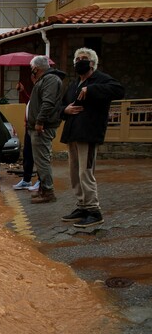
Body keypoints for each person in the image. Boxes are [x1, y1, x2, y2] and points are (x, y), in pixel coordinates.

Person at [60, 47, 124, 228]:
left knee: (85, 173)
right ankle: (82, 206)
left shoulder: (100, 79)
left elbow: (119, 90)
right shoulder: (74, 85)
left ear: (92, 63)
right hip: (72, 133)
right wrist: (65, 110)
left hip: (88, 134)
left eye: (84, 58)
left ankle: (94, 211)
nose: (80, 61)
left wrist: (92, 89)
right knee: (74, 173)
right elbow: (63, 104)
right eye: (77, 58)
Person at [27, 56, 65, 204]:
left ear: (36, 68)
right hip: (40, 125)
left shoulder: (50, 80)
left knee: (42, 161)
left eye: (33, 69)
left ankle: (48, 192)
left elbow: (48, 103)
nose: (32, 71)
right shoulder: (45, 80)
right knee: (40, 160)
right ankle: (44, 189)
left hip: (43, 126)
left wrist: (39, 121)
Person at [13, 80, 40, 192]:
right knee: (27, 155)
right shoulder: (34, 94)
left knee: (39, 156)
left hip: (37, 128)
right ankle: (26, 179)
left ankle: (41, 181)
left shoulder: (42, 92)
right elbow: (29, 103)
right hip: (28, 128)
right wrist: (23, 92)